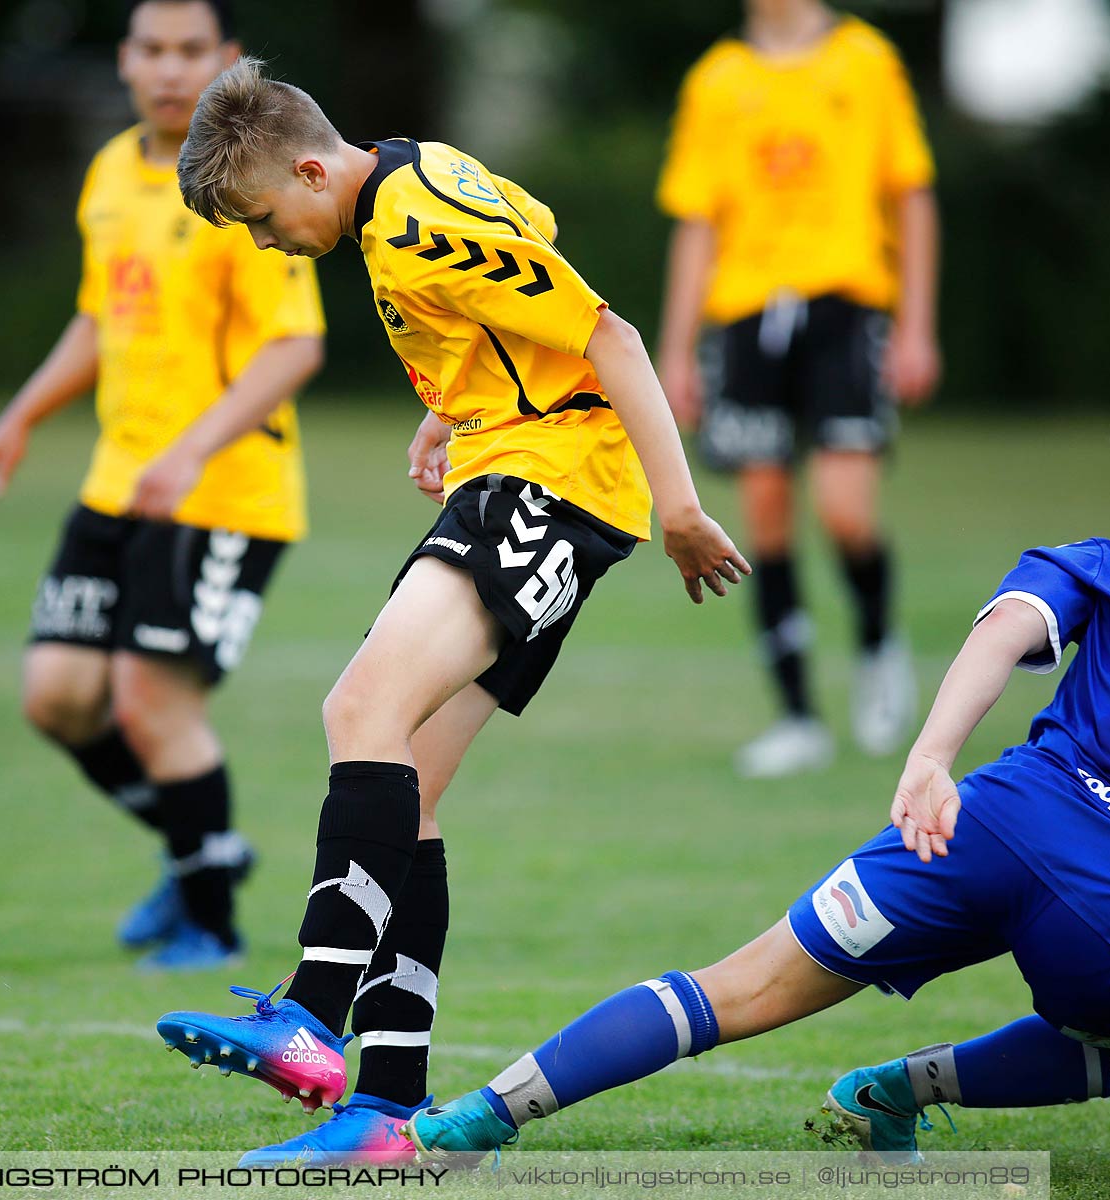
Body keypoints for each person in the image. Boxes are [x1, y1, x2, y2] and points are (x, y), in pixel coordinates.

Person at [404, 384, 1110, 1160]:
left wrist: (933, 758)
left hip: (981, 827)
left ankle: (480, 1118)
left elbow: (1009, 626)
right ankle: (897, 1090)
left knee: (733, 990)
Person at [151, 58, 751, 1164]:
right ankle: (383, 1114)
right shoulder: (408, 182)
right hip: (523, 466)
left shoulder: (417, 221)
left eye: (262, 216)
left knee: (358, 708)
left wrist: (682, 508)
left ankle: (307, 1013)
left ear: (314, 168)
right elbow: (531, 233)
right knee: (409, 787)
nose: (265, 240)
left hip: (556, 483)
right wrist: (459, 408)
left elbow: (607, 337)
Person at [0, 0, 325, 973]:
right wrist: (20, 417)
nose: (170, 70)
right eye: (152, 50)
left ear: (229, 60)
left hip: (223, 489)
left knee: (151, 706)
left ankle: (211, 916)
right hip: (120, 480)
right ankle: (199, 845)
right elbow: (97, 317)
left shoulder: (249, 185)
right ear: (124, 59)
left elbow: (296, 345)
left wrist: (193, 449)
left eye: (191, 51)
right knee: (58, 697)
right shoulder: (112, 171)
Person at [655, 0, 941, 777]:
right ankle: (797, 717)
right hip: (745, 317)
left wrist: (915, 326)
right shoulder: (718, 78)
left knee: (845, 514)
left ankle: (880, 645)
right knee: (762, 524)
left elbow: (910, 193)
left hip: (846, 311)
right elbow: (698, 219)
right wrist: (677, 350)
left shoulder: (864, 59)